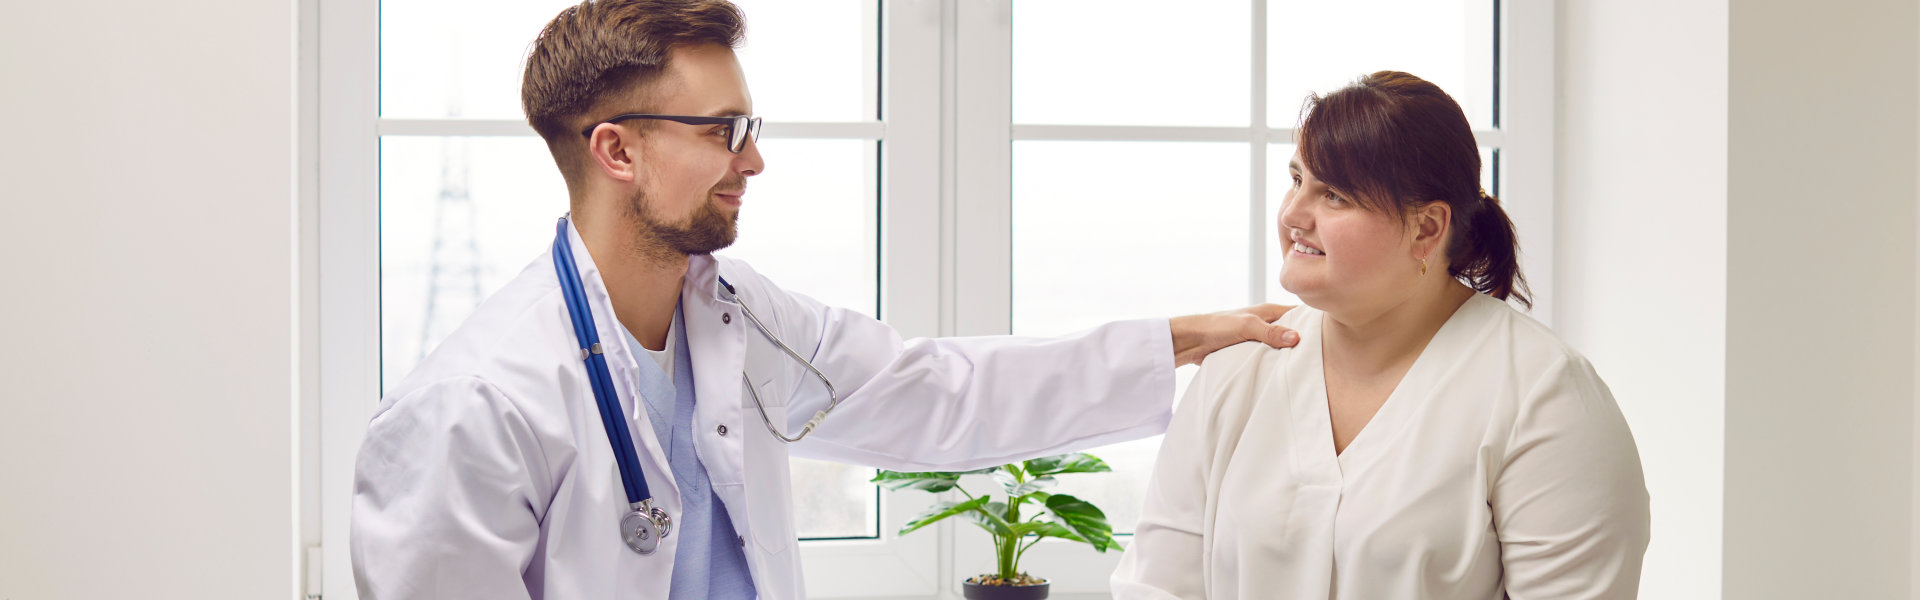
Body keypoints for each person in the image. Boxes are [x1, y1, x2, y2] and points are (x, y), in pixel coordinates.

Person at [349, 1, 1301, 599]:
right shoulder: (474, 401)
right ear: (616, 151)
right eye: (723, 130)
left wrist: (1180, 339)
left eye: (750, 126)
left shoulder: (735, 314)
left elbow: (937, 392)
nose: (753, 159)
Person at [1109, 71, 1651, 599]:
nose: (1294, 214)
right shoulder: (1237, 369)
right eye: (1297, 180)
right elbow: (1156, 584)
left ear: (1427, 229)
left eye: (1335, 196)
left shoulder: (1544, 395)